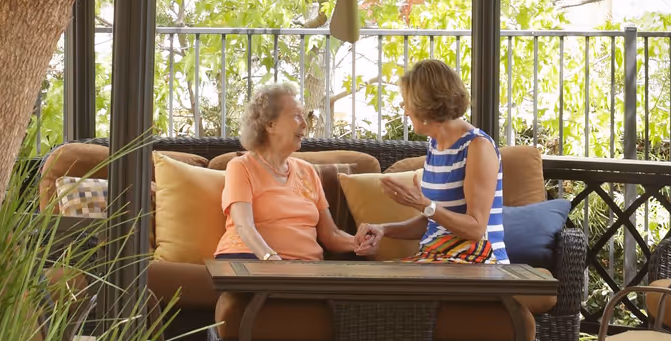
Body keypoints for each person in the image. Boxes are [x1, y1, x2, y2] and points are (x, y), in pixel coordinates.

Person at [215, 85, 383, 263]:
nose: (305, 124)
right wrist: (271, 259)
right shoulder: (241, 167)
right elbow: (244, 225)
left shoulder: (307, 171)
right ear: (270, 124)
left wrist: (359, 242)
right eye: (296, 116)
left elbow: (331, 235)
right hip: (249, 258)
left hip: (302, 267)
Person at [375, 58, 507, 264]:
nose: (405, 111)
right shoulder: (435, 145)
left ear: (425, 104)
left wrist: (426, 205)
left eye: (407, 103)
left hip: (479, 261)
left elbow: (476, 228)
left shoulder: (477, 146)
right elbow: (436, 220)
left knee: (381, 281)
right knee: (368, 280)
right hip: (439, 256)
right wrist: (383, 229)